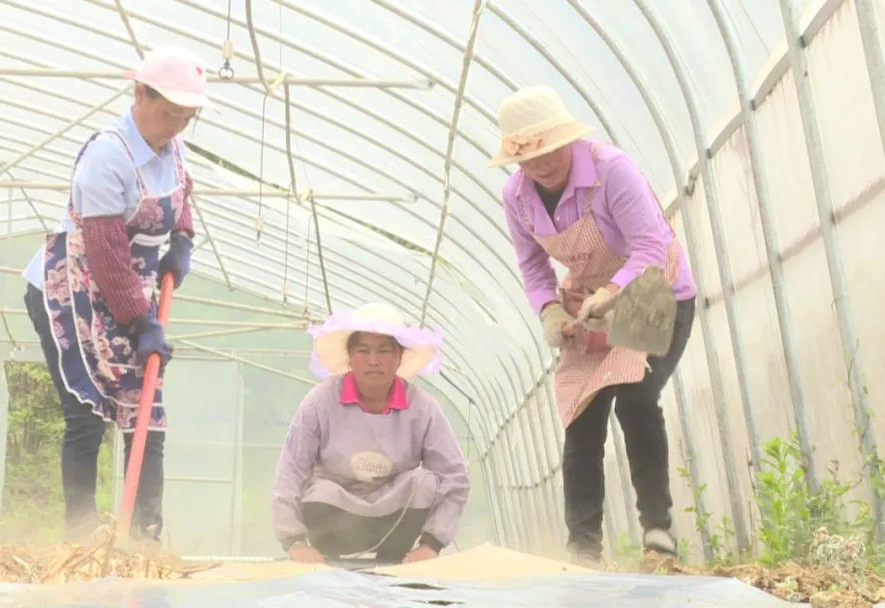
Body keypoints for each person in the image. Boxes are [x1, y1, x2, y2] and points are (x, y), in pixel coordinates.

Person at [490, 86, 698, 566]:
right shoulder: (517, 197)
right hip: (586, 301)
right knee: (581, 419)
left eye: (548, 150)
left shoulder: (611, 171)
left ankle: (657, 533)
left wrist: (613, 293)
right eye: (528, 158)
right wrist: (550, 311)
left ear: (567, 138)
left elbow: (649, 246)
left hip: (652, 289)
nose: (540, 164)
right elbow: (533, 268)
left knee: (636, 396)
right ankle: (583, 548)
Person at [21, 45, 209, 542]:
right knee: (86, 413)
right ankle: (80, 538)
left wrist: (183, 240)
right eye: (169, 113)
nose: (176, 126)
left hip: (131, 287)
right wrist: (141, 320)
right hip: (74, 288)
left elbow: (181, 193)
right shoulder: (107, 155)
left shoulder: (173, 147)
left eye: (187, 117)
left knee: (146, 413)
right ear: (139, 94)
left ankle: (145, 536)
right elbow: (105, 252)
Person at [272, 303, 470, 565]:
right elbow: (290, 470)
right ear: (350, 357)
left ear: (400, 357)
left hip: (394, 522)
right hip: (333, 518)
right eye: (363, 351)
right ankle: (328, 557)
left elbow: (454, 477)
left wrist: (431, 544)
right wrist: (294, 541)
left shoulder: (424, 408)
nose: (373, 360)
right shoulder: (319, 402)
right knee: (319, 489)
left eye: (384, 351)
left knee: (424, 483)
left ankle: (397, 559)